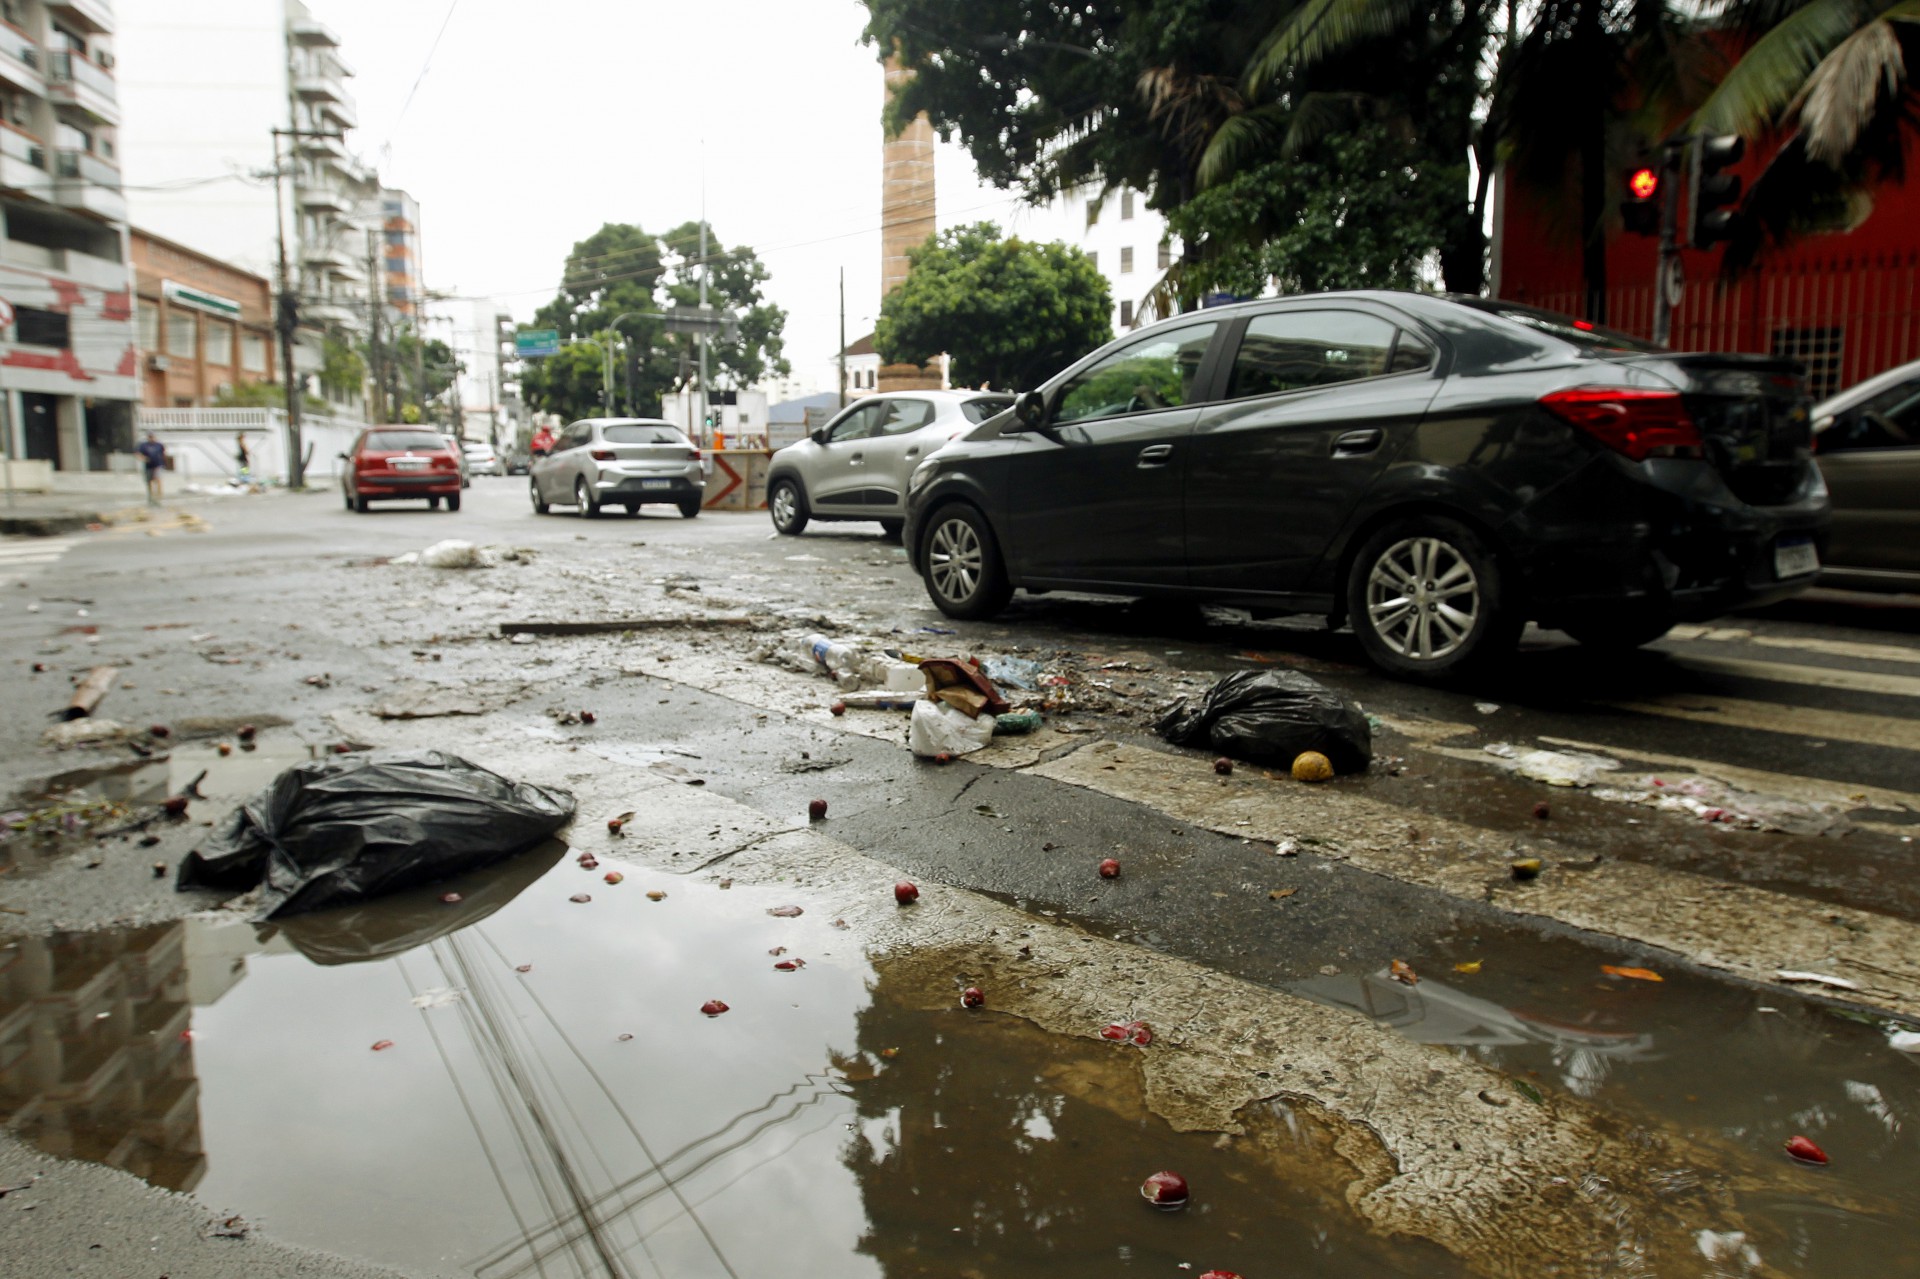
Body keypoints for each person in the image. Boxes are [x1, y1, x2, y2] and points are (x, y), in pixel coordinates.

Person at [136, 431, 167, 505]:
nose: (151, 438)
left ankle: (159, 497)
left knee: (158, 480)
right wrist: (143, 458)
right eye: (150, 437)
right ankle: (151, 496)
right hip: (148, 466)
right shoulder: (144, 445)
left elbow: (163, 454)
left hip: (158, 465)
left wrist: (164, 463)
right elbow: (138, 453)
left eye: (152, 437)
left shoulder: (159, 445)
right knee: (149, 481)